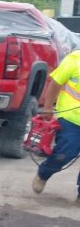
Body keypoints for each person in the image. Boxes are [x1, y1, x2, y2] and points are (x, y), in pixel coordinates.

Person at [32, 49, 80, 203]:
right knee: (65, 153)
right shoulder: (75, 59)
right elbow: (56, 83)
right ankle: (44, 173)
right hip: (71, 118)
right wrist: (47, 107)